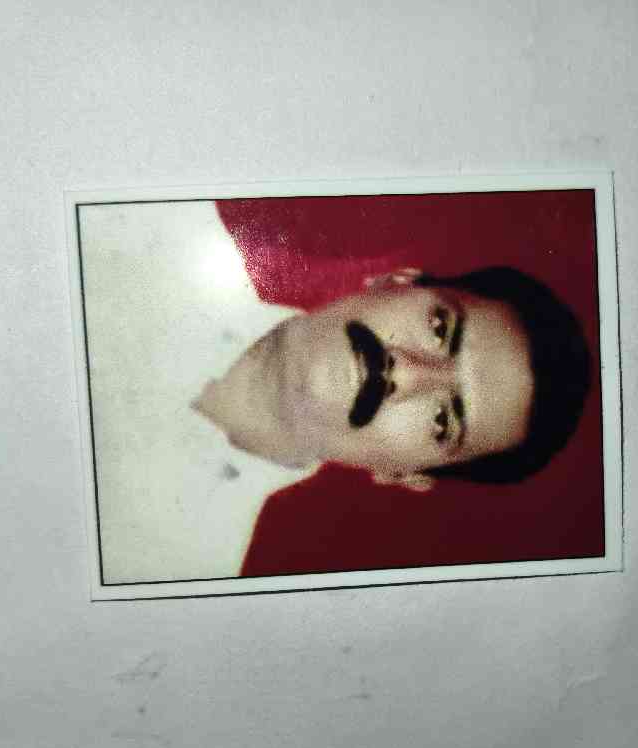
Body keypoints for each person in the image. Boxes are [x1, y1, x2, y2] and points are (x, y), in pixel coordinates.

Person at [79, 201, 591, 584]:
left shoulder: (183, 571)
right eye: (440, 329)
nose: (406, 373)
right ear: (394, 282)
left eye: (443, 420)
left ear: (401, 475)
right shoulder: (129, 229)